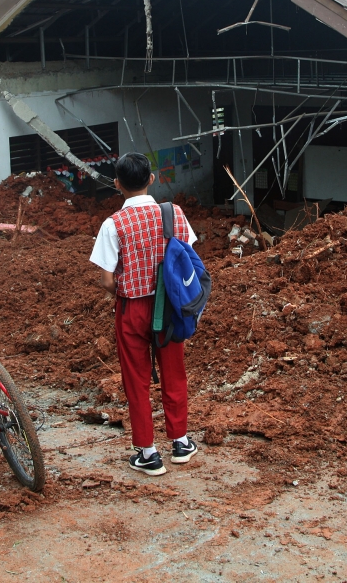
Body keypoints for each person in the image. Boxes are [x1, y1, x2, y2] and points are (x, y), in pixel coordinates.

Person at [90, 152, 198, 476]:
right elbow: (189, 257)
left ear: (117, 184)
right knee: (173, 371)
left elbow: (106, 279)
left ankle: (148, 453)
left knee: (136, 379)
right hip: (170, 306)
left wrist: (125, 290)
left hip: (132, 308)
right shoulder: (175, 213)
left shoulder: (113, 224)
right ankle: (180, 441)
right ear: (152, 179)